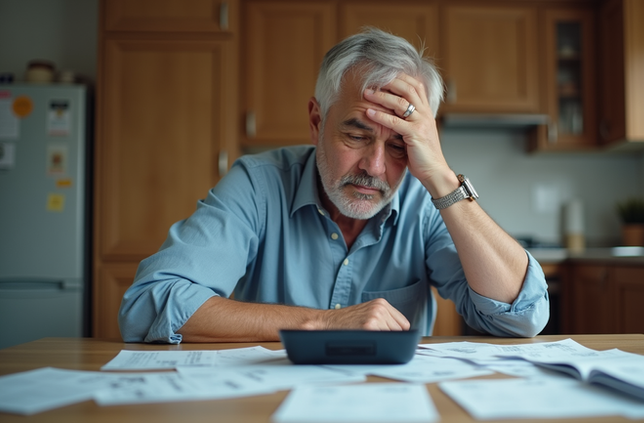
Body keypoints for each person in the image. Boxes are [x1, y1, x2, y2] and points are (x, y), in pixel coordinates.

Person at [119, 28, 549, 343]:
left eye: (400, 145)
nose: (376, 167)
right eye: (357, 135)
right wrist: (323, 322)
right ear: (316, 121)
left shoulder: (426, 201)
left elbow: (524, 315)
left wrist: (440, 176)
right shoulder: (257, 184)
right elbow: (151, 302)